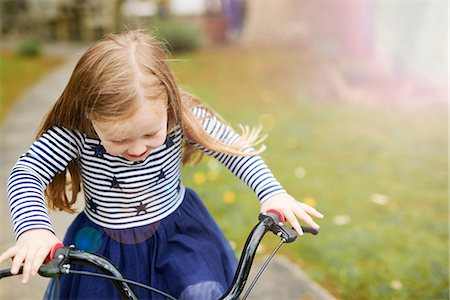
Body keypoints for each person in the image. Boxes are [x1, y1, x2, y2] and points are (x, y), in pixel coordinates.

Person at [0, 29, 323, 299]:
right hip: (103, 244)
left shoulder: (181, 116)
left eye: (150, 134)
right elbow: (26, 172)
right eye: (119, 140)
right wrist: (34, 230)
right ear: (89, 114)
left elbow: (236, 150)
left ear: (168, 102)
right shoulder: (76, 133)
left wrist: (272, 194)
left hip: (179, 236)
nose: (138, 148)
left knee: (202, 291)